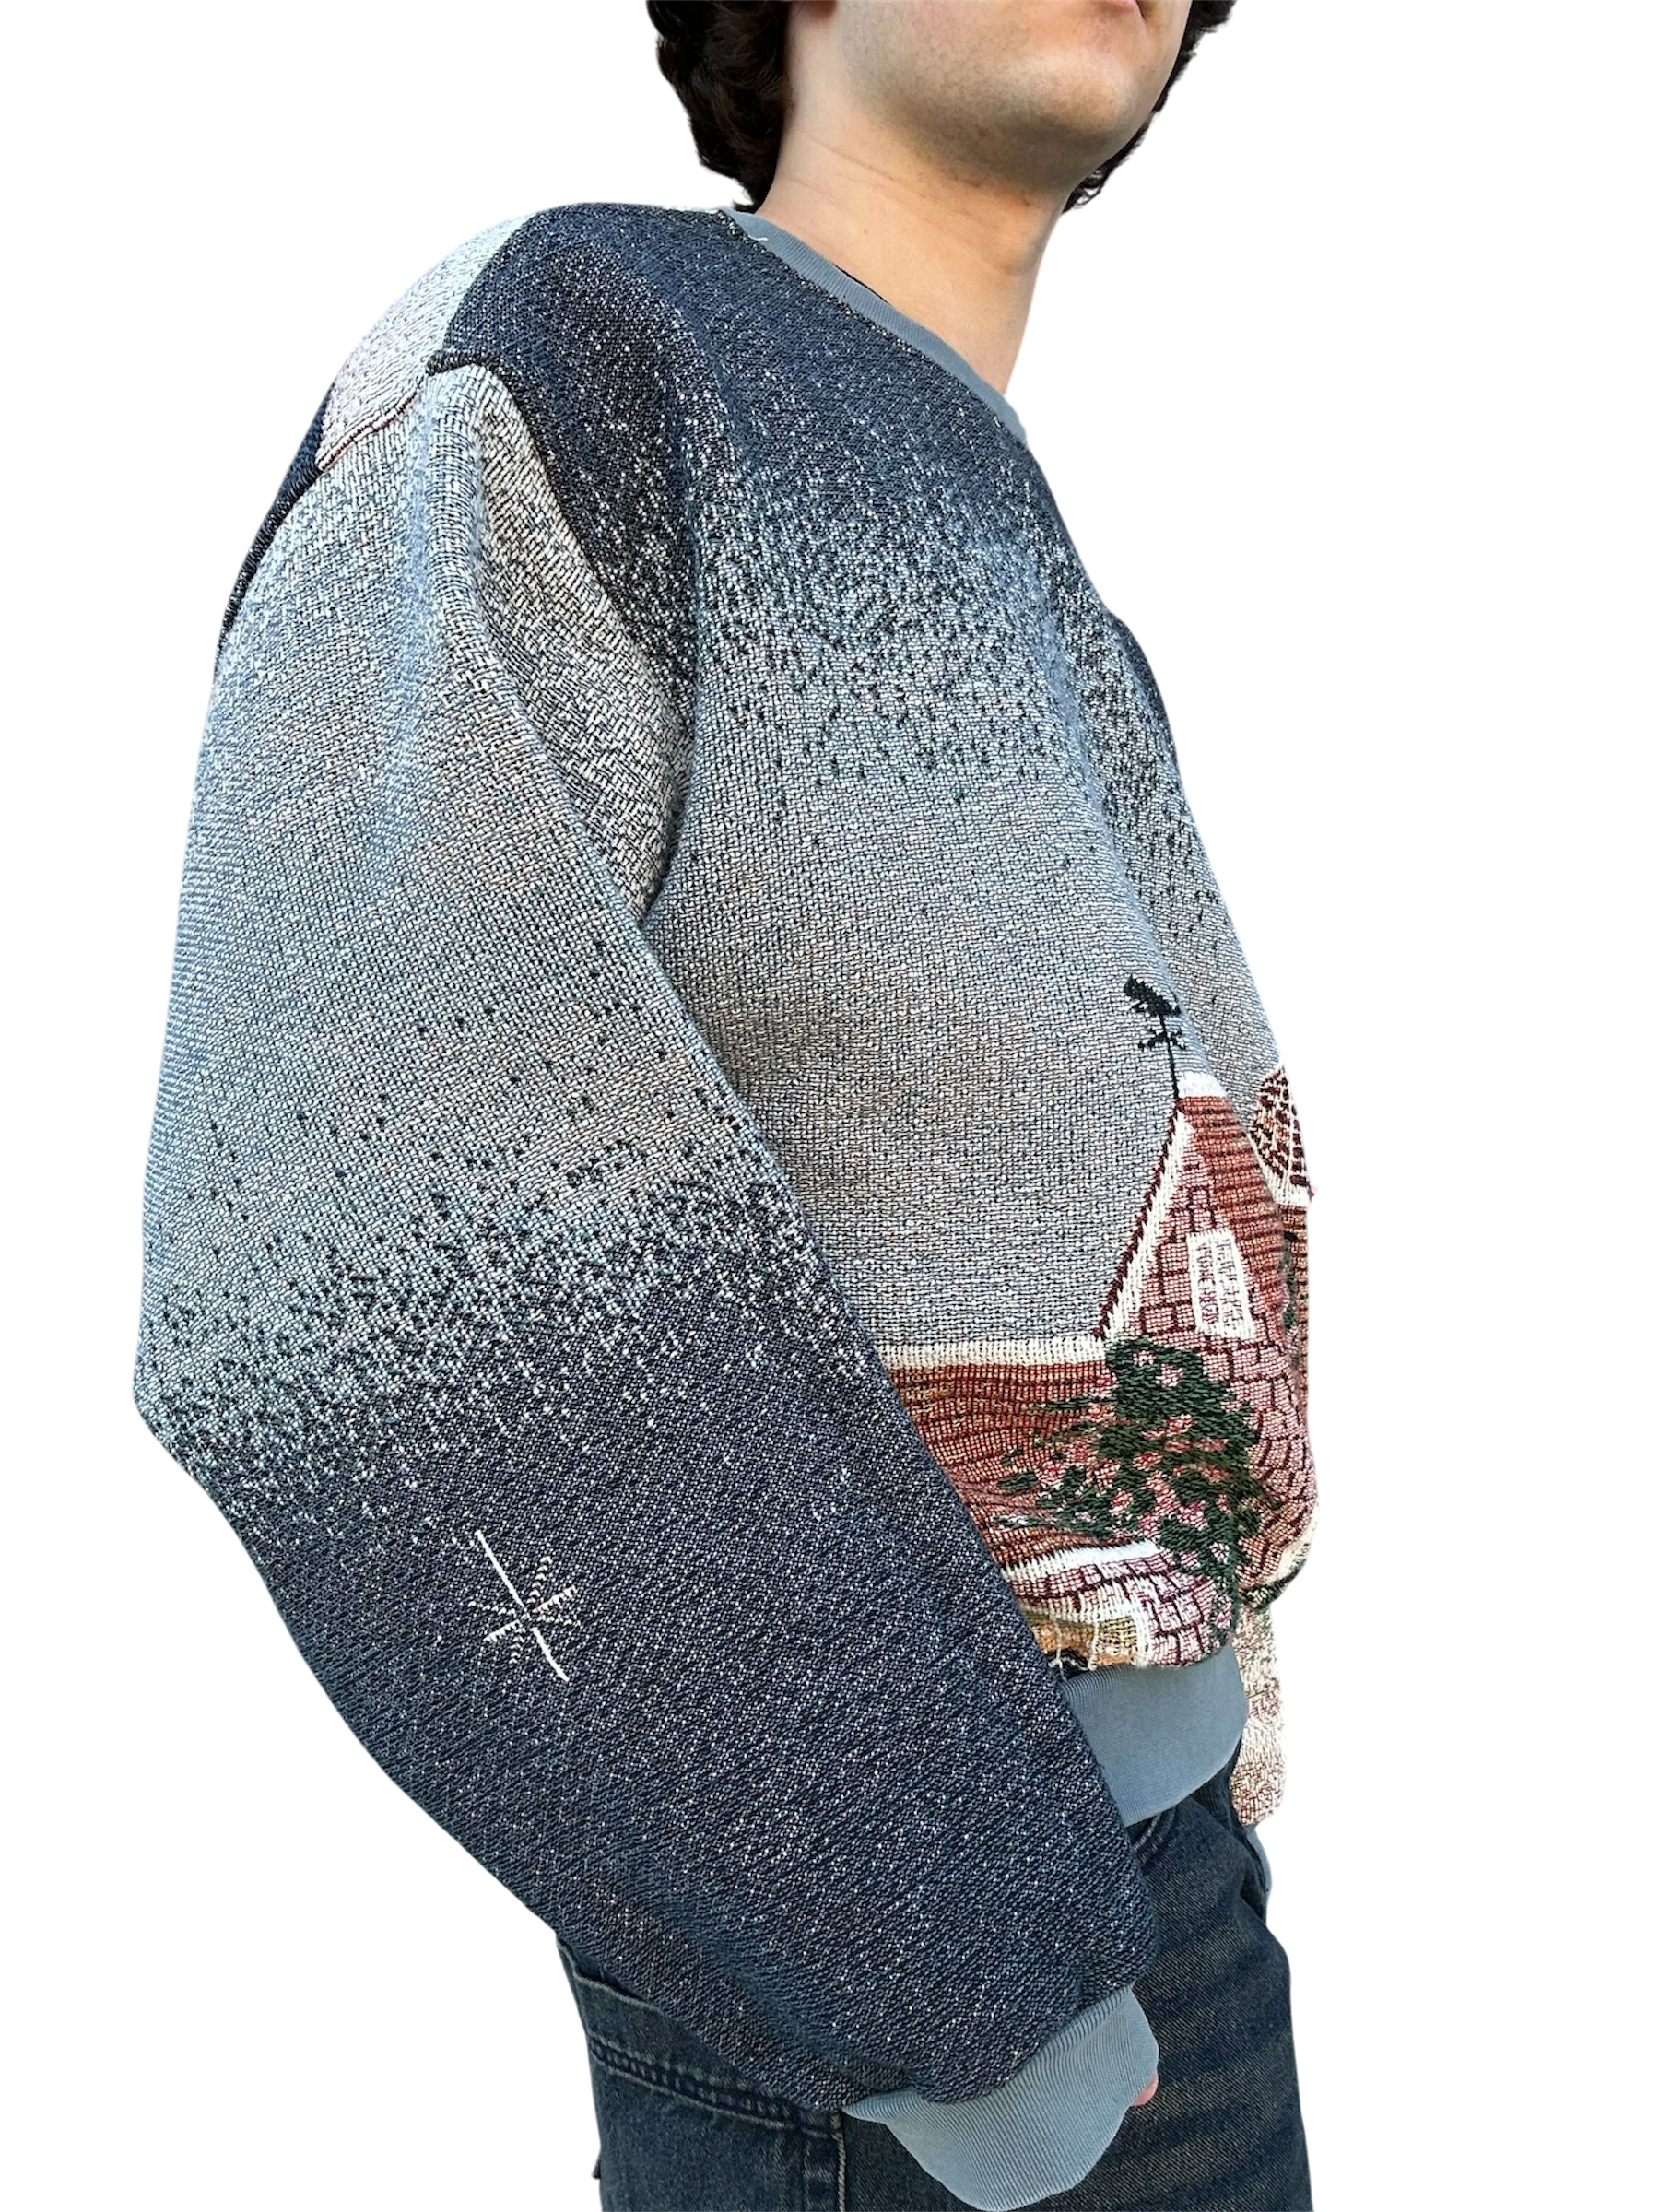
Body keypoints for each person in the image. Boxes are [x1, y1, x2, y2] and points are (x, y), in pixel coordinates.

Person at [132, 0, 1314, 2204]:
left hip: (1142, 1903)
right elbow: (346, 1263)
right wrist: (954, 1989)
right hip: (919, 2019)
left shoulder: (1015, 507)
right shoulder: (582, 345)